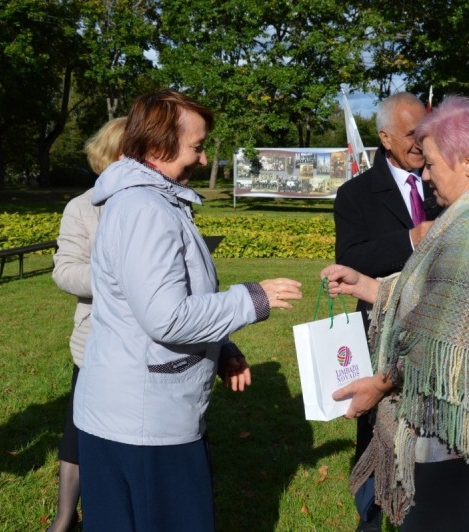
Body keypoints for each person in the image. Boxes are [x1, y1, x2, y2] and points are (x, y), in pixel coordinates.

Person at [72, 88, 302, 532]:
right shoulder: (144, 208)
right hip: (143, 424)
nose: (201, 159)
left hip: (132, 414)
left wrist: (222, 346)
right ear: (158, 148)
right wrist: (253, 298)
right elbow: (166, 316)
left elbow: (170, 297)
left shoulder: (150, 201)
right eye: (196, 147)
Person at [323, 96, 469, 532]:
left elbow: (442, 341)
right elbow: (434, 293)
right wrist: (369, 286)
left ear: (468, 162)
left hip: (463, 445)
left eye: (431, 163)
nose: (425, 174)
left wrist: (381, 384)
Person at [333, 91, 441, 532]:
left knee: (430, 425)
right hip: (379, 331)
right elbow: (352, 258)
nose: (421, 142)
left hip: (434, 326)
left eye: (426, 132)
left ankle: (428, 505)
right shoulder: (355, 194)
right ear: (385, 137)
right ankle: (370, 514)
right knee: (377, 426)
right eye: (412, 133)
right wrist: (413, 239)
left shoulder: (441, 185)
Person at [48, 117, 127, 532]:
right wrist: (120, 280)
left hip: (153, 346)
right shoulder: (82, 206)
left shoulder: (169, 202)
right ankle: (64, 520)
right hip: (96, 341)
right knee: (78, 432)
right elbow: (65, 272)